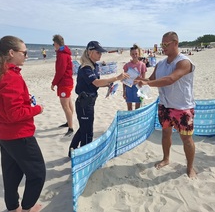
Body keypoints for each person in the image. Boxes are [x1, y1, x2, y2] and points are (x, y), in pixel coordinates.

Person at [0, 36, 45, 212]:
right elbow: (14, 114)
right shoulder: (9, 77)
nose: (27, 56)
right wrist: (37, 109)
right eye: (24, 53)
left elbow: (2, 105)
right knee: (37, 174)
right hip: (18, 135)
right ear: (11, 53)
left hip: (3, 134)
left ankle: (13, 208)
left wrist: (25, 100)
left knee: (11, 175)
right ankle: (27, 208)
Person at [136, 31, 196, 178]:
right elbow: (150, 80)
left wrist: (148, 82)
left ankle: (190, 167)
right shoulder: (161, 64)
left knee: (186, 139)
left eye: (166, 44)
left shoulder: (184, 62)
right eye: (162, 44)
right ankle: (166, 158)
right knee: (165, 134)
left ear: (175, 43)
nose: (163, 47)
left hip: (183, 107)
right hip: (164, 105)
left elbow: (170, 79)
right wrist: (140, 82)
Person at [68, 41, 129, 157]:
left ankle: (72, 152)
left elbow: (96, 84)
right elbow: (95, 82)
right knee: (87, 132)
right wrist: (116, 78)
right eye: (98, 52)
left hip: (89, 102)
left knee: (83, 128)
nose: (100, 55)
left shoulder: (95, 66)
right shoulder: (86, 68)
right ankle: (84, 157)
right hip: (84, 103)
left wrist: (108, 85)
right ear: (89, 52)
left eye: (101, 52)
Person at [51, 34, 74, 136]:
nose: (53, 46)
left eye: (53, 44)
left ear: (56, 43)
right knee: (68, 103)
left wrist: (53, 83)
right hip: (67, 82)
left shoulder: (62, 54)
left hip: (64, 83)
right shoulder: (65, 53)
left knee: (65, 105)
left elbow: (60, 71)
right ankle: (69, 122)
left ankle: (71, 127)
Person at [123, 44, 147, 110]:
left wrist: (143, 91)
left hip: (138, 88)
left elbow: (144, 80)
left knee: (137, 108)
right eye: (133, 54)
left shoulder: (142, 65)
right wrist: (124, 92)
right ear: (130, 54)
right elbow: (124, 80)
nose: (135, 55)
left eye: (136, 53)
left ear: (139, 54)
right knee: (129, 108)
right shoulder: (127, 65)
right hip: (129, 88)